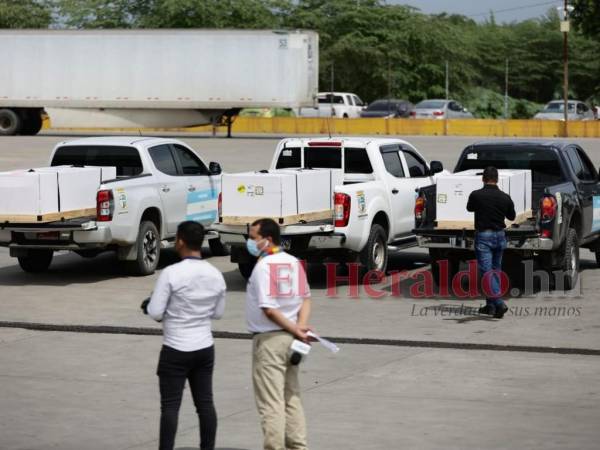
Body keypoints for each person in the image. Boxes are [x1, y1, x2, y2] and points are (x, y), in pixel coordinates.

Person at [141, 221, 226, 450]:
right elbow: (218, 313)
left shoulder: (171, 273)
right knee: (205, 404)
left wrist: (150, 306)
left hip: (175, 348)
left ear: (180, 241)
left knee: (170, 407)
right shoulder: (215, 274)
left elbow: (156, 311)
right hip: (204, 348)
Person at [245, 218, 312, 450]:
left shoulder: (263, 266)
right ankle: (298, 446)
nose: (250, 242)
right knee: (291, 398)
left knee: (271, 403)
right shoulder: (293, 262)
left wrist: (295, 329)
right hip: (292, 339)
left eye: (253, 237)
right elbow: (305, 298)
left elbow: (269, 309)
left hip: (270, 339)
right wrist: (300, 329)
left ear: (268, 239)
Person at [466, 166, 516, 319]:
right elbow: (512, 217)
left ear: (483, 179)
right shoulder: (505, 197)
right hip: (500, 236)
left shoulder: (476, 195)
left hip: (484, 237)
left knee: (487, 273)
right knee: (495, 271)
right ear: (497, 179)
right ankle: (491, 307)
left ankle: (499, 303)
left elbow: (469, 208)